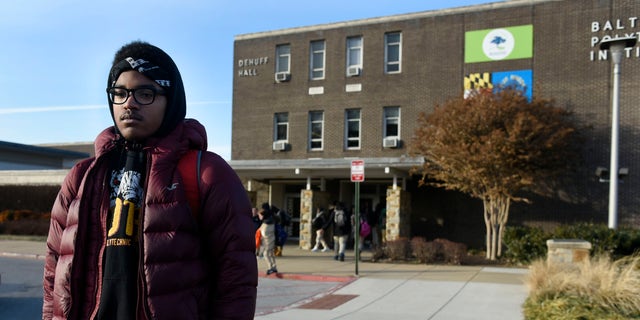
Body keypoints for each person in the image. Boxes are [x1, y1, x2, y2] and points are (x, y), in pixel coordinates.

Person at [42, 41, 257, 320]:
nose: (129, 103)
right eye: (119, 93)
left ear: (171, 100)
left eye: (145, 93)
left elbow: (236, 280)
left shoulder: (206, 173)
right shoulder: (82, 176)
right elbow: (53, 270)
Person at [258, 203, 278, 275]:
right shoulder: (271, 222)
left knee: (266, 254)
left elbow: (261, 218)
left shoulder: (265, 226)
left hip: (268, 242)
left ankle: (270, 268)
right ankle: (274, 267)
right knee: (271, 254)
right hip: (271, 241)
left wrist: (259, 213)